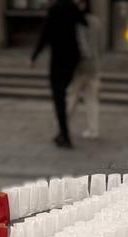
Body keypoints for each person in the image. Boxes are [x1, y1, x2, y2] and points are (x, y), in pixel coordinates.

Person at [31, 0, 87, 149]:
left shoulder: (54, 10)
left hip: (58, 60)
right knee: (63, 94)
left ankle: (64, 134)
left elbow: (45, 35)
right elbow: (84, 24)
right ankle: (62, 133)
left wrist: (34, 56)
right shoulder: (73, 8)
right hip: (73, 59)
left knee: (59, 97)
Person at [68, 0, 100, 139]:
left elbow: (82, 43)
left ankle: (64, 125)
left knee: (73, 96)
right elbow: (100, 45)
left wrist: (84, 58)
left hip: (82, 65)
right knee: (91, 98)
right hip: (94, 65)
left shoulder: (79, 21)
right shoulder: (96, 21)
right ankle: (94, 129)